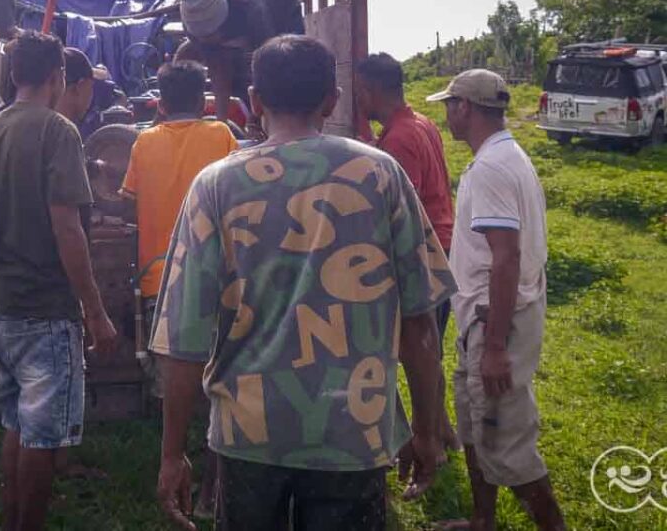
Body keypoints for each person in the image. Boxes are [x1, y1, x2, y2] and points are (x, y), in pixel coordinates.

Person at [153, 35, 456, 531]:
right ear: (332, 100)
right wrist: (426, 428)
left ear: (253, 101)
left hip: (249, 433)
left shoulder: (215, 185)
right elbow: (420, 325)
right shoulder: (380, 175)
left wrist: (171, 455)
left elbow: (183, 340)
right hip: (353, 429)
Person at [0, 31, 118, 531]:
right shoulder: (58, 130)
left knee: (17, 423)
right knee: (43, 437)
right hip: (42, 310)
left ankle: (11, 521)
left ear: (13, 74)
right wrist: (95, 312)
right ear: (57, 77)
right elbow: (67, 227)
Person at [427, 70, 566, 531]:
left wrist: (495, 347)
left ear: (465, 108)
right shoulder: (504, 155)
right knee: (474, 423)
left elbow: (506, 258)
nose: (446, 113)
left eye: (450, 104)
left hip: (494, 323)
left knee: (506, 440)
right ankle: (482, 520)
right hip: (483, 320)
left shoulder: (490, 168)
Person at [120, 59, 238, 517]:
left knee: (174, 384)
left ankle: (176, 466)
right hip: (219, 279)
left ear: (160, 103)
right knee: (219, 383)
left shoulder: (143, 142)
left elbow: (130, 205)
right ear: (204, 97)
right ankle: (212, 489)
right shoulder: (222, 135)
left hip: (161, 277)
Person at [356, 52, 460, 450]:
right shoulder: (421, 123)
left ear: (368, 91)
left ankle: (429, 437)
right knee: (430, 344)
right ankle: (445, 431)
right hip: (444, 244)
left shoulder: (398, 139)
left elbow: (399, 208)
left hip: (422, 253)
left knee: (418, 346)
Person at [175, 0, 305, 123]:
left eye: (211, 34)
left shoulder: (253, 7)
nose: (207, 40)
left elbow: (268, 68)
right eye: (203, 37)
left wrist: (257, 117)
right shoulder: (191, 18)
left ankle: (287, 125)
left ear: (223, 21)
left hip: (282, 14)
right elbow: (219, 73)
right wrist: (221, 124)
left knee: (287, 72)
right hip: (238, 31)